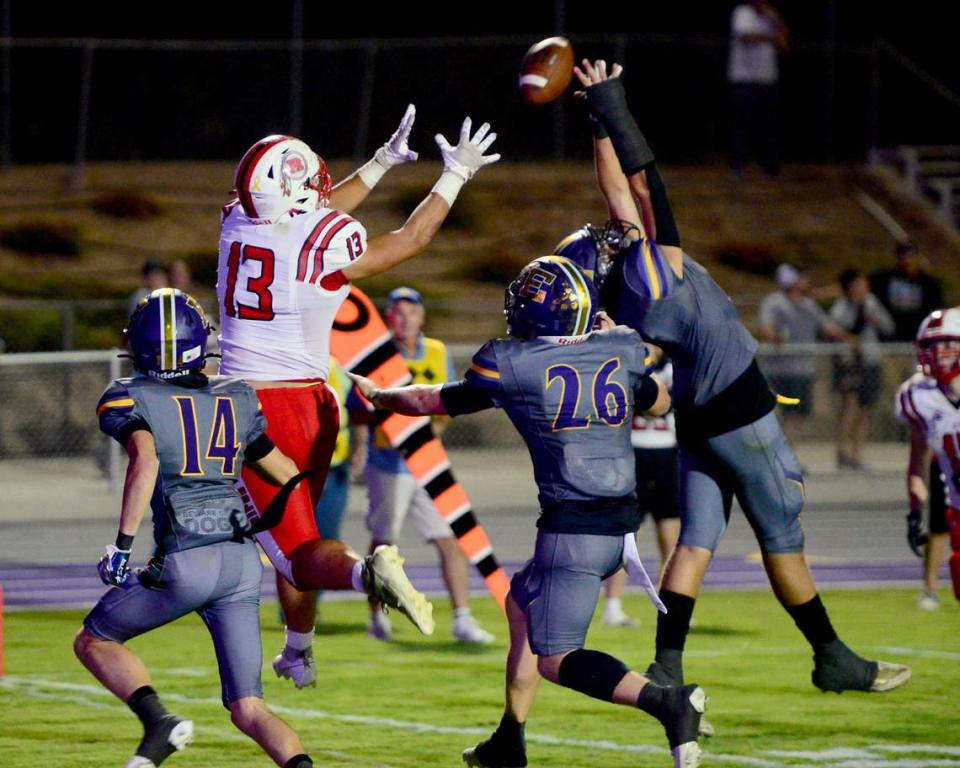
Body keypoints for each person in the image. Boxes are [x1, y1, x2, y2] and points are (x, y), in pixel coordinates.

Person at [564, 58, 910, 710]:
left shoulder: (626, 288)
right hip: (742, 412)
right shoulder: (658, 264)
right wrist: (613, 106)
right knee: (782, 528)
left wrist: (596, 121)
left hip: (696, 417)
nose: (617, 224)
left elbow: (618, 193)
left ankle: (666, 669)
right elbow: (642, 182)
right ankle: (831, 657)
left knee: (695, 541)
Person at [348, 256, 706, 768]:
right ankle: (508, 740)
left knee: (557, 659)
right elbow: (659, 400)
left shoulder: (515, 361)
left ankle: (667, 702)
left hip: (573, 525)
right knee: (521, 603)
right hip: (614, 521)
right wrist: (615, 341)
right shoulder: (620, 348)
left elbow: (434, 400)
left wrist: (382, 396)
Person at [217, 105, 499, 687]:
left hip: (256, 412)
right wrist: (456, 175)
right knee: (300, 545)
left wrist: (380, 164)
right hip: (316, 407)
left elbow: (309, 213)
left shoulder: (236, 224)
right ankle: (299, 649)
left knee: (297, 553)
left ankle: (367, 573)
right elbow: (411, 239)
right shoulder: (322, 240)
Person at [74, 289, 317, 768]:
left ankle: (159, 722)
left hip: (187, 557)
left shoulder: (128, 395)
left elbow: (144, 461)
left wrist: (122, 546)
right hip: (242, 563)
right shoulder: (238, 396)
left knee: (94, 639)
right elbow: (287, 473)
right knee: (249, 708)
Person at [357, 286, 494, 643]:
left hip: (427, 460)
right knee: (384, 545)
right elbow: (358, 405)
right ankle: (377, 617)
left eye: (410, 312)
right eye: (396, 312)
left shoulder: (435, 351)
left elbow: (449, 400)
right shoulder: (376, 355)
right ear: (388, 319)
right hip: (390, 461)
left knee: (450, 539)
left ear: (421, 317)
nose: (403, 319)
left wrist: (431, 426)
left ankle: (463, 617)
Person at [601, 357, 681, 628]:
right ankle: (613, 606)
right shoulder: (627, 366)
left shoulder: (674, 369)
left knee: (670, 531)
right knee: (626, 533)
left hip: (666, 453)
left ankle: (673, 605)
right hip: (633, 453)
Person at [894, 308, 960, 609]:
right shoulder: (918, 396)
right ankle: (930, 588)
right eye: (933, 346)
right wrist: (914, 509)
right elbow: (917, 458)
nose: (938, 354)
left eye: (948, 344)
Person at [756, 263, 857, 444]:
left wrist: (847, 338)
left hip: (802, 369)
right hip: (778, 369)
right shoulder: (775, 302)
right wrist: (774, 337)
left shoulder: (808, 305)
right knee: (779, 413)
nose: (806, 282)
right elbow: (765, 327)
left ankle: (788, 452)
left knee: (798, 413)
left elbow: (826, 326)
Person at [829, 268, 895, 469]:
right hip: (849, 361)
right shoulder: (842, 307)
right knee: (849, 405)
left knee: (867, 408)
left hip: (870, 359)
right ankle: (842, 452)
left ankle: (857, 453)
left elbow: (888, 327)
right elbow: (833, 328)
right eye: (858, 284)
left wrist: (874, 319)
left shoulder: (871, 303)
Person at [727, 0, 790, 177]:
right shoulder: (742, 12)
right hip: (744, 78)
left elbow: (783, 44)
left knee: (769, 126)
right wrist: (770, 37)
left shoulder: (771, 16)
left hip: (768, 78)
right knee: (742, 124)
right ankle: (737, 166)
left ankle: (770, 167)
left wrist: (778, 21)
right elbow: (745, 36)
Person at [870, 241, 944, 342]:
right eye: (903, 257)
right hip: (890, 335)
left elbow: (935, 309)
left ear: (917, 258)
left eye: (911, 257)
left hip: (918, 335)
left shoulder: (929, 284)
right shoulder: (883, 280)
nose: (907, 261)